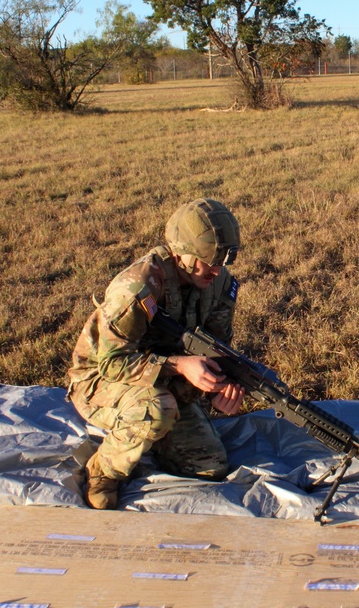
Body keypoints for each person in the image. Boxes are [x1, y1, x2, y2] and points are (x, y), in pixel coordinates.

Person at [66, 198, 246, 510]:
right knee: (156, 408)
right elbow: (110, 364)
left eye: (222, 262)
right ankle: (103, 471)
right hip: (100, 382)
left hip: (166, 381)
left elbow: (218, 350)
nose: (217, 271)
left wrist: (220, 388)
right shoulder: (138, 286)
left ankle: (150, 434)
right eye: (210, 261)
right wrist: (180, 365)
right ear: (183, 254)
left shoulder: (221, 284)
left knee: (207, 465)